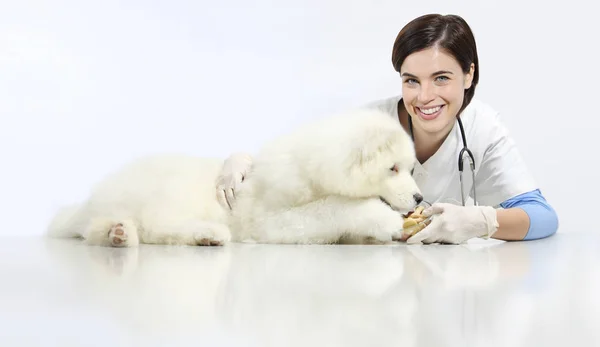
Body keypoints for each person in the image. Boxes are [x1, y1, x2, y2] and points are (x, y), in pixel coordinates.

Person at [214, 13, 559, 244]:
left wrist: (484, 221)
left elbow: (543, 217)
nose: (425, 97)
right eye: (412, 81)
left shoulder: (482, 128)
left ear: (469, 75)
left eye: (441, 78)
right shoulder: (369, 127)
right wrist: (248, 164)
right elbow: (303, 180)